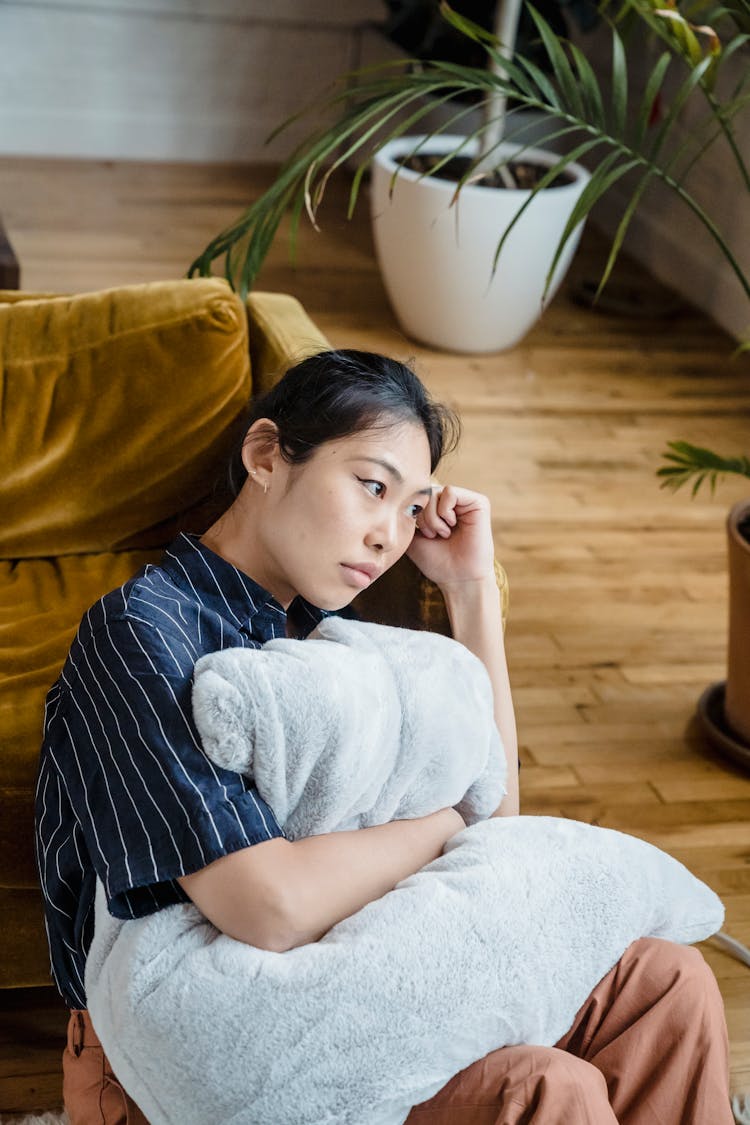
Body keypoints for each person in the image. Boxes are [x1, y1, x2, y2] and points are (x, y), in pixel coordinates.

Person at [35, 349, 733, 1125]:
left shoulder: (336, 638)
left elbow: (495, 821)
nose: (386, 535)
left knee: (669, 983)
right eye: (372, 486)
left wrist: (470, 590)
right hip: (191, 1040)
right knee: (545, 1091)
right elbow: (269, 905)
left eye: (410, 508)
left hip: (358, 961)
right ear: (266, 454)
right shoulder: (140, 633)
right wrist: (443, 823)